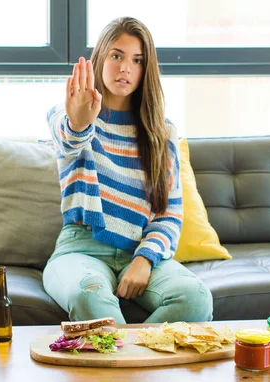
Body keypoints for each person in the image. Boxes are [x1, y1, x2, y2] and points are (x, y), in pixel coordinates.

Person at [43, 17, 213, 324]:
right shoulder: (69, 113)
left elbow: (169, 214)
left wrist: (145, 259)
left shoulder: (162, 133)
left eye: (137, 60)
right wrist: (80, 121)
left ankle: (127, 363)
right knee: (88, 295)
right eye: (117, 56)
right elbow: (69, 139)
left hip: (142, 250)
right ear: (100, 57)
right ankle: (134, 368)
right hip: (80, 250)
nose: (125, 68)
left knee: (196, 299)